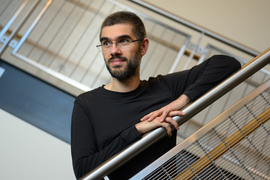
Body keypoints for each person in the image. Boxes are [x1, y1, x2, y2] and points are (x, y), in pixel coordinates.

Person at [71, 11, 241, 180]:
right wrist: (137, 130)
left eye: (123, 41)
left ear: (143, 46)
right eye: (107, 43)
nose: (114, 50)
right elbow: (83, 171)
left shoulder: (164, 88)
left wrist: (181, 100)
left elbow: (227, 64)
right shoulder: (86, 104)